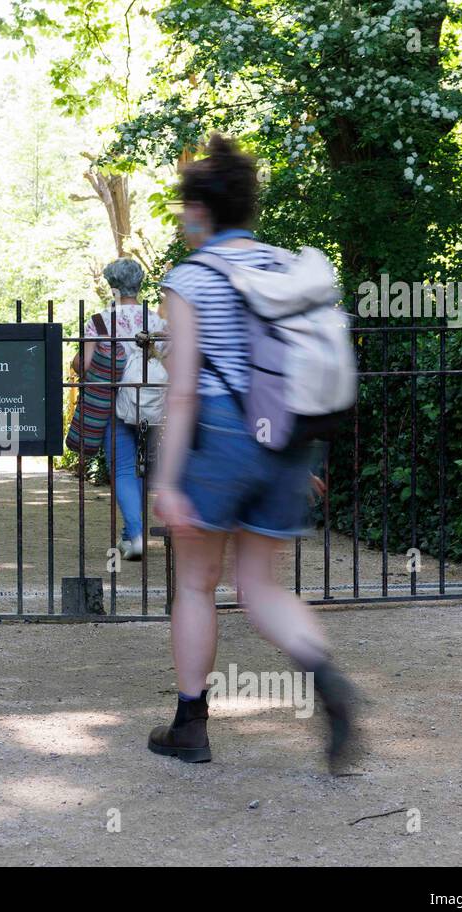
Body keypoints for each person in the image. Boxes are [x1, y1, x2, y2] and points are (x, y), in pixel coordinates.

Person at [148, 134, 360, 772]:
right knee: (261, 584)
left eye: (186, 209)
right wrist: (308, 459)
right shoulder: (284, 267)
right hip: (286, 436)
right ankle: (325, 676)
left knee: (195, 582)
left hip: (219, 434)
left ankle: (191, 727)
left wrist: (167, 480)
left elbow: (181, 392)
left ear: (200, 212)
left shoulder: (190, 280)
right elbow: (305, 369)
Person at [80, 258, 166, 561]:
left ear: (111, 286)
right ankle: (130, 535)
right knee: (141, 469)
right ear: (139, 285)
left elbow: (87, 367)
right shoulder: (156, 322)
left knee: (124, 469)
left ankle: (137, 534)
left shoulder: (100, 321)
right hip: (150, 404)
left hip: (114, 406)